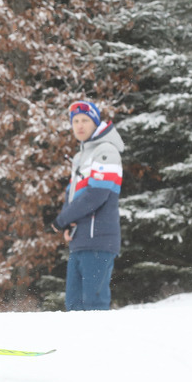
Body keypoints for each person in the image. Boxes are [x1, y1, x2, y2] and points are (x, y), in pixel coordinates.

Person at [50, 100, 124, 311]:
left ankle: (101, 345)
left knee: (93, 306)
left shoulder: (106, 151)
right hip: (80, 239)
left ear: (95, 123)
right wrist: (68, 224)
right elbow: (73, 195)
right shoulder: (81, 157)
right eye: (75, 121)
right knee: (74, 305)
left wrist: (61, 220)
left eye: (85, 120)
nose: (80, 126)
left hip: (99, 240)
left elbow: (96, 195)